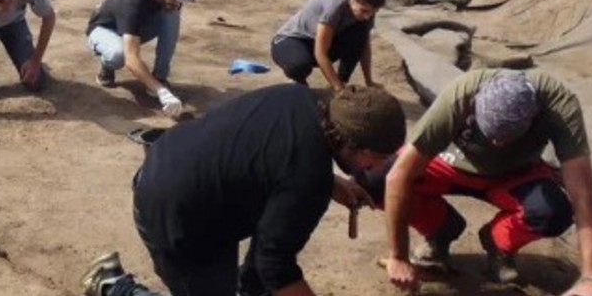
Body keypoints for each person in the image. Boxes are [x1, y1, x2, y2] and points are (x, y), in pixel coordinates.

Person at [81, 85, 408, 296]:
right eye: (377, 159)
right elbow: (275, 265)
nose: (374, 169)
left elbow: (275, 154)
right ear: (354, 144)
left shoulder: (301, 98)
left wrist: (333, 181)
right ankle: (114, 286)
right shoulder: (308, 181)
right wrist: (323, 181)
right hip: (175, 216)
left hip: (170, 167)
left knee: (255, 275)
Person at [381, 69, 592, 296]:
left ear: (533, 117)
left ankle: (498, 242)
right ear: (475, 107)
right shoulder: (459, 97)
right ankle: (439, 229)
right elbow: (398, 175)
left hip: (515, 173)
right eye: (490, 135)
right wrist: (398, 257)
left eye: (506, 138)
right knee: (378, 179)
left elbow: (583, 194)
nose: (496, 144)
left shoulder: (559, 106)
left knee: (554, 212)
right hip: (451, 163)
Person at [85, 0, 196, 118]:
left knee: (172, 15)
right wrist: (162, 92)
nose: (178, 3)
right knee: (119, 55)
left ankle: (160, 77)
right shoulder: (133, 2)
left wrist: (158, 85)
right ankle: (107, 66)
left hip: (133, 28)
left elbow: (170, 9)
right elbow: (131, 59)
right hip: (104, 29)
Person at [270, 0, 387, 91]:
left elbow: (364, 46)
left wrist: (369, 81)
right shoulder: (335, 4)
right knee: (298, 66)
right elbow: (320, 52)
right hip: (292, 41)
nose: (368, 16)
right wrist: (338, 87)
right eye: (364, 11)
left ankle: (342, 80)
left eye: (373, 12)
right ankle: (300, 86)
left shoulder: (367, 9)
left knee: (359, 34)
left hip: (319, 43)